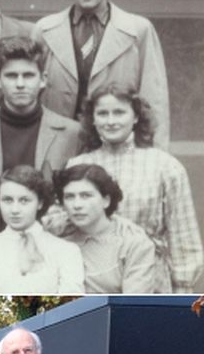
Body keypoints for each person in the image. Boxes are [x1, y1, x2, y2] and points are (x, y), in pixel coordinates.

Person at [67, 84, 203, 292]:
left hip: (150, 277)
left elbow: (183, 237)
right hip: (92, 276)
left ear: (136, 117)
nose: (111, 121)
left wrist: (182, 290)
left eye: (119, 112)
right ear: (92, 119)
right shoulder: (78, 165)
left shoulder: (165, 166)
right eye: (103, 113)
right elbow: (62, 224)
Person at [33, 0, 169, 148]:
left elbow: (153, 99)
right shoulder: (45, 29)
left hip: (116, 142)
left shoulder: (138, 30)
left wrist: (156, 153)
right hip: (59, 143)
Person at [0, 36, 81, 241]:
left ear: (43, 79)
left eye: (28, 75)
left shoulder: (71, 133)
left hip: (51, 245)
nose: (20, 84)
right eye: (11, 76)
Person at [55, 161, 168, 292]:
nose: (77, 205)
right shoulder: (57, 236)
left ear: (106, 200)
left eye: (86, 196)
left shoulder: (133, 242)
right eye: (69, 197)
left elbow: (134, 304)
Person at [0, 165, 85, 294]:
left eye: (24, 200)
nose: (15, 210)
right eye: (7, 200)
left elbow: (70, 300)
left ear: (40, 202)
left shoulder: (66, 251)